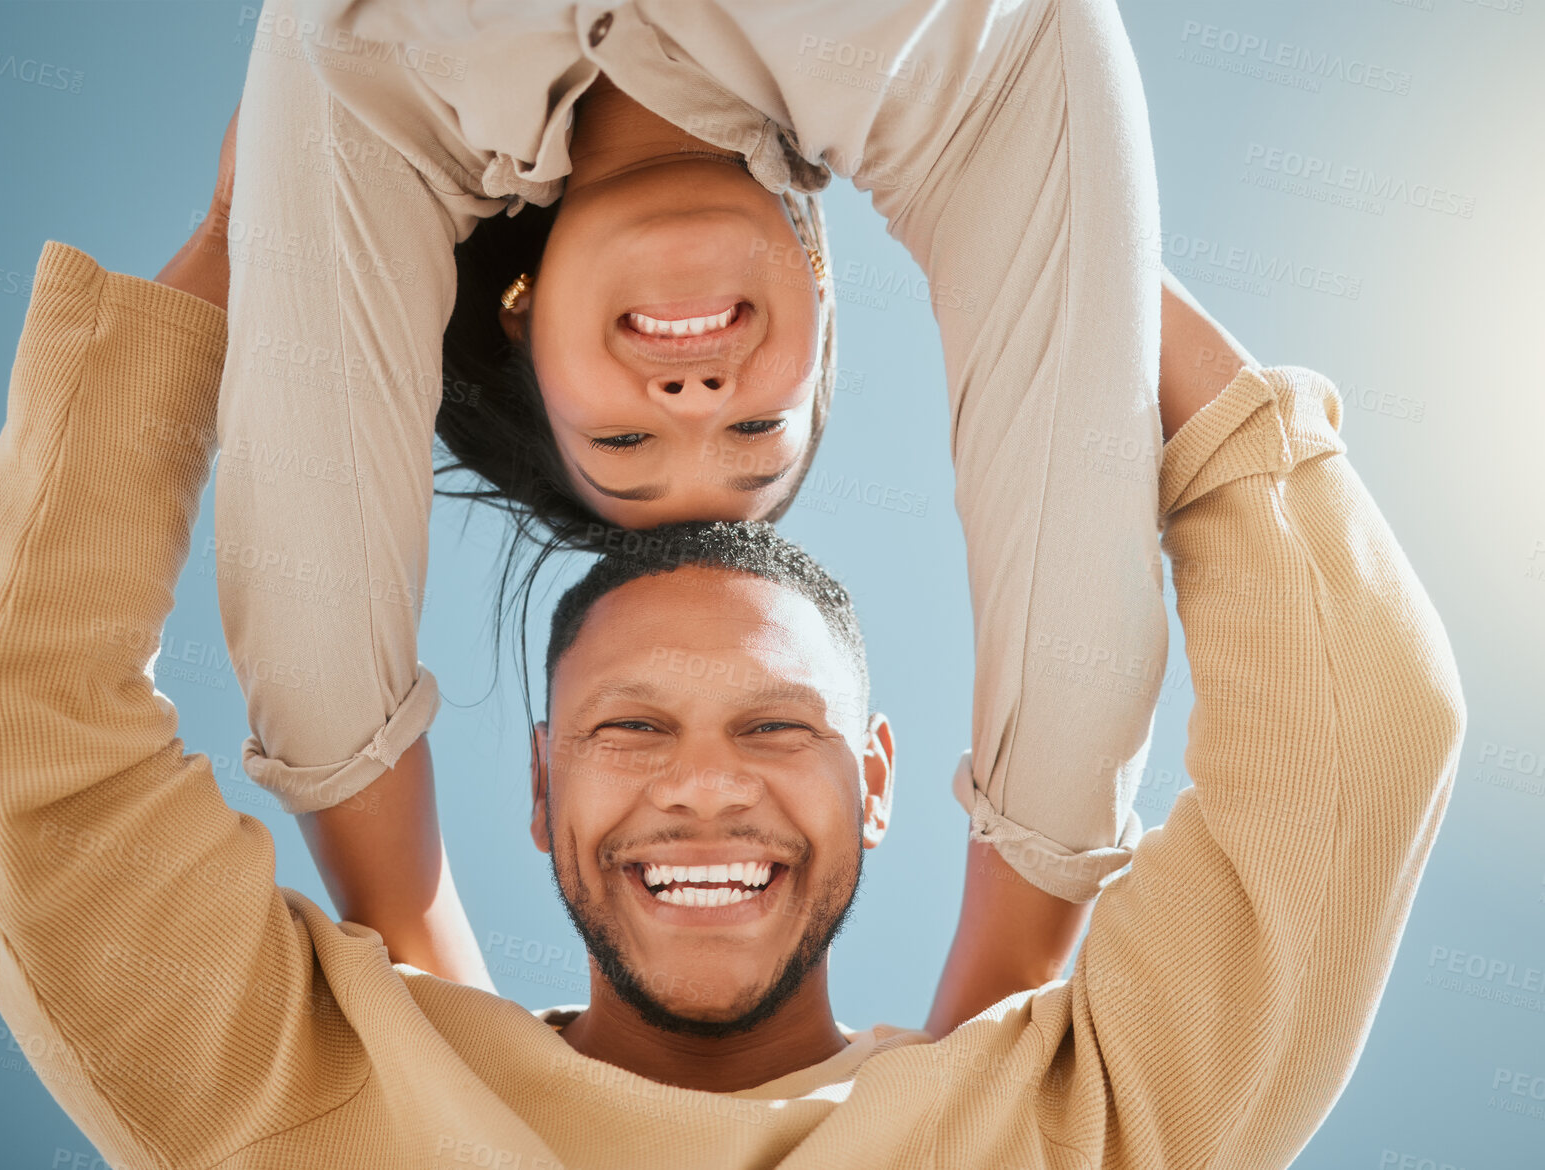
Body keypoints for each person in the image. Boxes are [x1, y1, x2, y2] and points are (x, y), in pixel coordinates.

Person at [0, 209, 1464, 1165]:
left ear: (883, 779)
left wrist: (1040, 224)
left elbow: (1355, 746)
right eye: (632, 729)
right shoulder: (319, 1091)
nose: (705, 783)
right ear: (545, 786)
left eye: (779, 727)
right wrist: (270, 215)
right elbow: (14, 717)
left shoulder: (1063, 1125)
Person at [214, 0, 1173, 991]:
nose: (696, 397)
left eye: (622, 442)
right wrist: (982, 1043)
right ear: (819, 302)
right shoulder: (938, 71)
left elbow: (311, 631)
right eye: (756, 431)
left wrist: (463, 1055)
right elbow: (1077, 602)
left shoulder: (385, 87)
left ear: (522, 318)